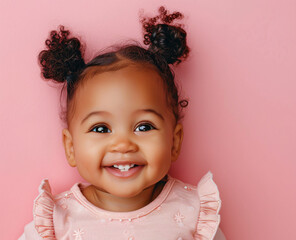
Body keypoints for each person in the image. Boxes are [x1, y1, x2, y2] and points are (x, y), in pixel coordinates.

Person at [19, 6, 225, 240]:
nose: (123, 144)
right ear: (71, 147)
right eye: (101, 128)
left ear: (174, 141)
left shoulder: (194, 214)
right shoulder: (57, 221)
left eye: (144, 127)